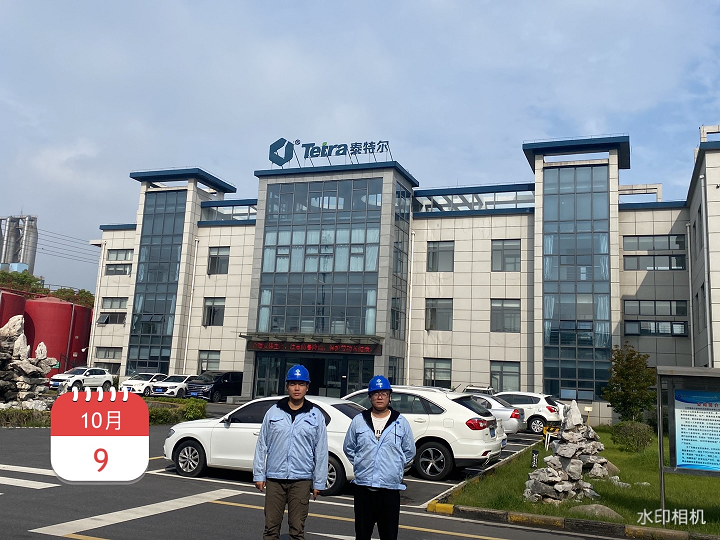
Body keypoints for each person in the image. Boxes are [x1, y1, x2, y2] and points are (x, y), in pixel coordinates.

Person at [253, 365, 328, 540]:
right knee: (271, 528)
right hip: (275, 478)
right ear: (287, 386)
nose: (297, 388)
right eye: (293, 384)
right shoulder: (274, 412)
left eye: (301, 384)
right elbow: (262, 444)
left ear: (307, 387)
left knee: (297, 529)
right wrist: (259, 474)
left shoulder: (315, 415)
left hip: (301, 479)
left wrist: (319, 482)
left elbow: (321, 450)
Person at [343, 375, 415, 540]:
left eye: (384, 393)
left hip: (389, 490)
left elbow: (409, 451)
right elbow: (349, 447)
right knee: (362, 535)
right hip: (363, 489)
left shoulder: (400, 422)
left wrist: (395, 467)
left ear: (390, 397)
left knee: (389, 536)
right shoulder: (359, 421)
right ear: (370, 397)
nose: (380, 397)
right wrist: (361, 463)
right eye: (376, 393)